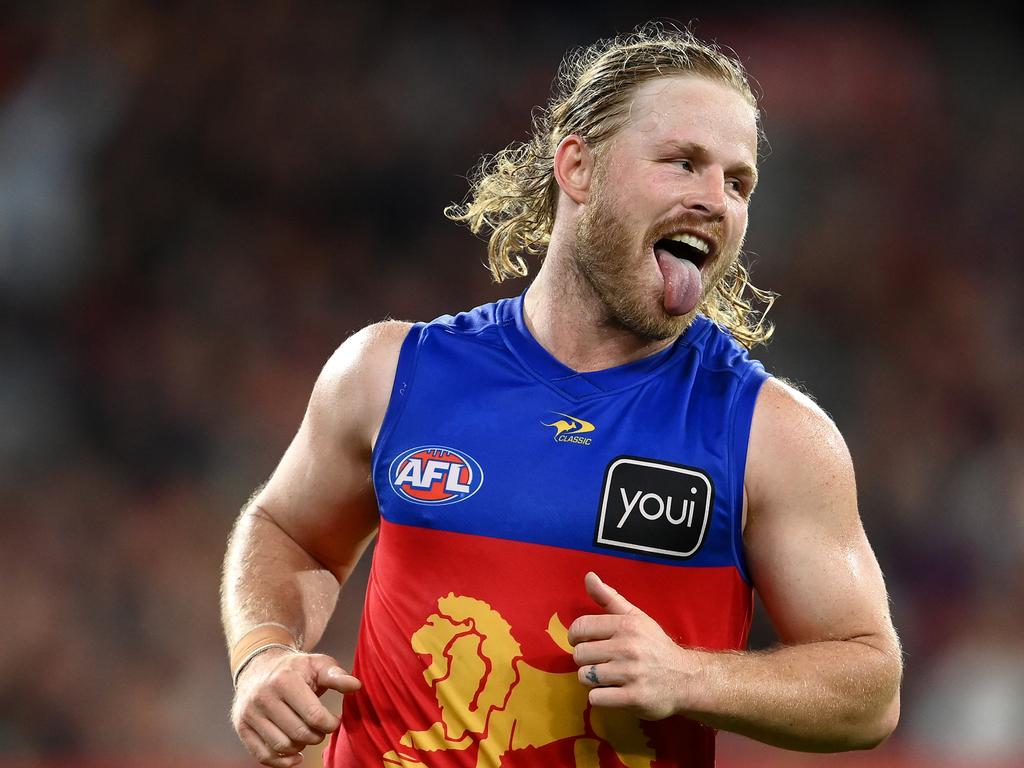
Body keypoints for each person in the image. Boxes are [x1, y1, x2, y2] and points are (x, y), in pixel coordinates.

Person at [221, 23, 902, 768]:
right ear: (578, 167)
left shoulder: (769, 434)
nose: (717, 201)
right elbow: (288, 531)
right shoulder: (390, 371)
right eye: (684, 163)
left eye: (739, 183)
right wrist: (262, 655)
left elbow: (869, 687)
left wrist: (693, 676)